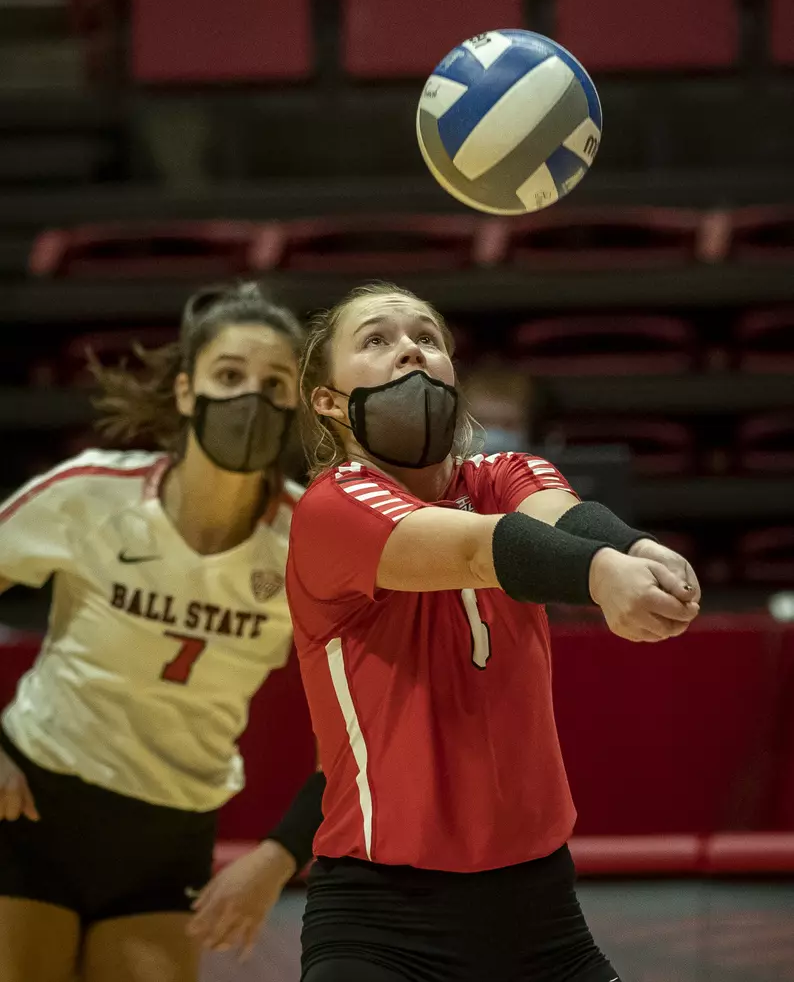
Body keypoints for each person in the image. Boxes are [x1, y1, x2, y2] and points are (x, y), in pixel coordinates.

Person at [286, 281, 701, 982]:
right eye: (377, 340)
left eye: (427, 336)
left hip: (539, 915)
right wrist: (602, 578)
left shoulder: (505, 469)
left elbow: (557, 514)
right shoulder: (332, 506)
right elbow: (480, 548)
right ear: (328, 400)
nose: (410, 349)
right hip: (384, 923)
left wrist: (637, 551)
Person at [0, 281, 324, 982]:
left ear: (296, 405)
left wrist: (280, 856)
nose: (251, 399)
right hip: (31, 803)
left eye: (274, 384)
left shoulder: (312, 542)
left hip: (169, 831)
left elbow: (381, 721)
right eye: (229, 377)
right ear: (186, 392)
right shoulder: (89, 493)